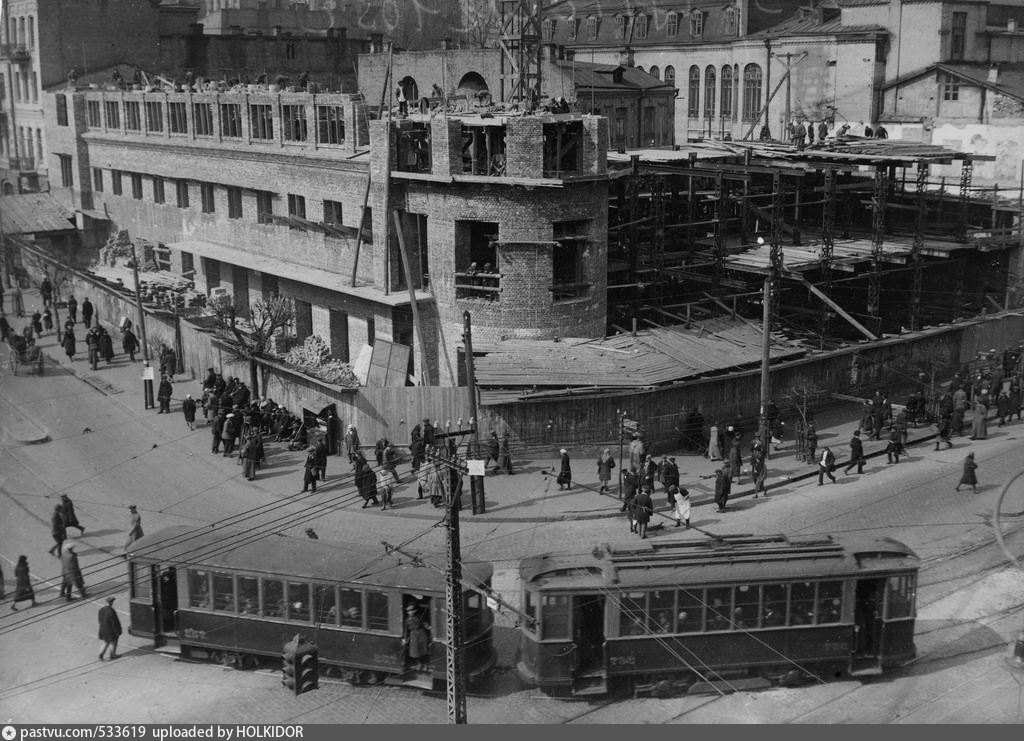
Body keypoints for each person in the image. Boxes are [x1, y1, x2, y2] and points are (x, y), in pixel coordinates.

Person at [402, 603, 430, 671]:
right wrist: (405, 639)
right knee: (415, 652)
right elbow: (406, 630)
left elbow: (424, 624)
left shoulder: (419, 617)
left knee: (423, 650)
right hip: (413, 635)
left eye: (412, 611)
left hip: (421, 633)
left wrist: (429, 627)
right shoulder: (407, 620)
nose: (410, 613)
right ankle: (419, 664)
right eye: (409, 611)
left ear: (414, 611)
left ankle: (425, 665)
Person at [98, 596, 123, 661]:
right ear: (111, 602)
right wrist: (118, 631)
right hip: (111, 631)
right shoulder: (111, 611)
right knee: (113, 642)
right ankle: (112, 655)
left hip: (103, 629)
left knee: (106, 642)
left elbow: (99, 620)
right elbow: (114, 623)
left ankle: (101, 654)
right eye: (112, 602)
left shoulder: (101, 610)